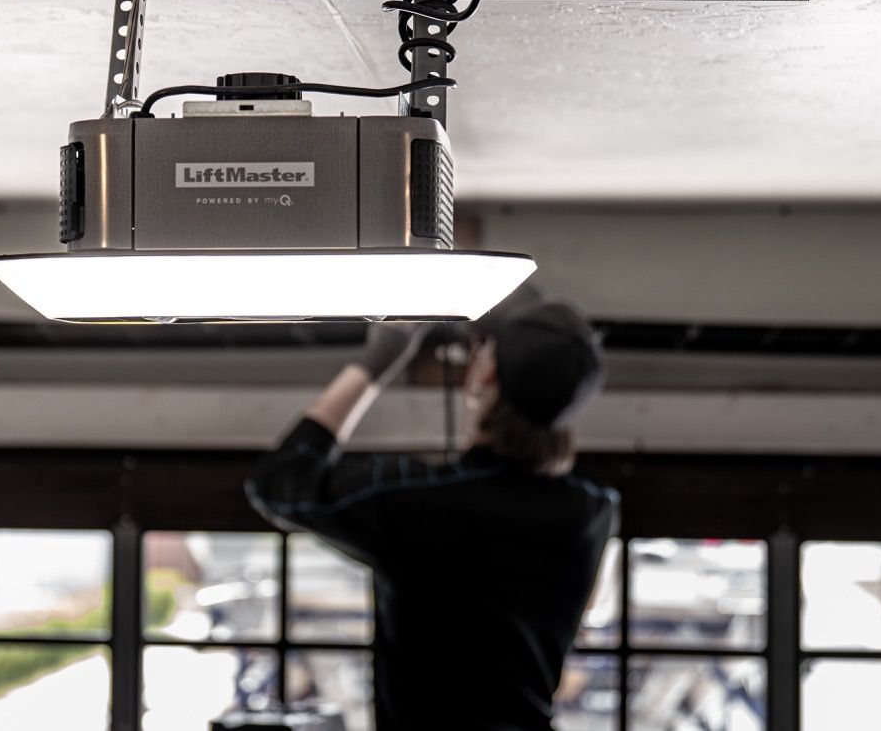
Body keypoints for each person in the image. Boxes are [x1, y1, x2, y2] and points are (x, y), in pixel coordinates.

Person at [246, 285, 620, 731]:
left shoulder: (417, 502)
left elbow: (278, 482)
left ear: (483, 378)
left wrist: (376, 364)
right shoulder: (592, 512)